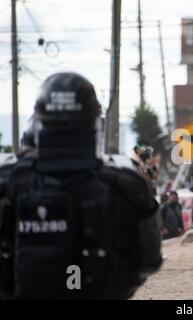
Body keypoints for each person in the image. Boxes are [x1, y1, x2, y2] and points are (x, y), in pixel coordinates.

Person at [0, 72, 162, 299]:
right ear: (95, 122)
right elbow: (149, 261)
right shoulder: (126, 183)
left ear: (38, 121)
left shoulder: (6, 179)